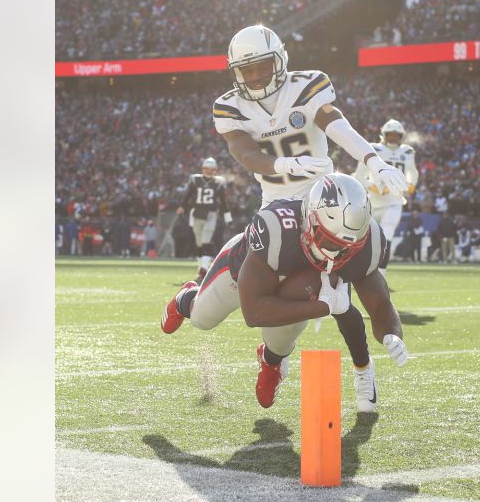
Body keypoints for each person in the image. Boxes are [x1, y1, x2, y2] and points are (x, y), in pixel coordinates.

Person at [208, 25, 408, 410]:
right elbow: (246, 155)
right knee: (289, 297)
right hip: (278, 208)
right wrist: (284, 163)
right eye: (246, 70)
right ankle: (270, 356)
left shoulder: (307, 85)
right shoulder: (229, 106)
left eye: (261, 65)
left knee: (345, 287)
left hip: (325, 200)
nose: (255, 76)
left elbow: (336, 124)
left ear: (280, 59)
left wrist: (372, 158)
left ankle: (362, 371)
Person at [160, 174, 408, 412]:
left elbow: (379, 305)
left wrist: (392, 334)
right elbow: (254, 312)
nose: (336, 256)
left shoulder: (368, 243)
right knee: (203, 319)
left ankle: (271, 359)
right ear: (310, 220)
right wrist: (323, 306)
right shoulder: (275, 227)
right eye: (330, 243)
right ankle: (186, 299)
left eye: (346, 248)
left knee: (286, 333)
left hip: (298, 288)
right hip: (242, 274)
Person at [352, 118, 419, 278]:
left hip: (394, 202)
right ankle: (356, 273)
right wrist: (372, 186)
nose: (393, 138)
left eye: (396, 135)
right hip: (372, 202)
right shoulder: (373, 148)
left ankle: (381, 277)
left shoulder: (407, 152)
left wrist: (411, 185)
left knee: (386, 236)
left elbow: (414, 172)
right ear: (384, 134)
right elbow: (359, 175)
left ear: (401, 136)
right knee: (361, 239)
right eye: (390, 135)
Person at [177, 157, 234, 281]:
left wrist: (228, 218)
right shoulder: (195, 180)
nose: (208, 171)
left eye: (211, 169)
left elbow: (224, 202)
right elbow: (188, 195)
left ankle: (204, 269)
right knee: (199, 243)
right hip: (196, 213)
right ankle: (201, 267)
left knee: (205, 241)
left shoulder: (218, 182)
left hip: (210, 214)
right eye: (206, 168)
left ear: (215, 170)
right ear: (202, 168)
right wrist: (182, 206)